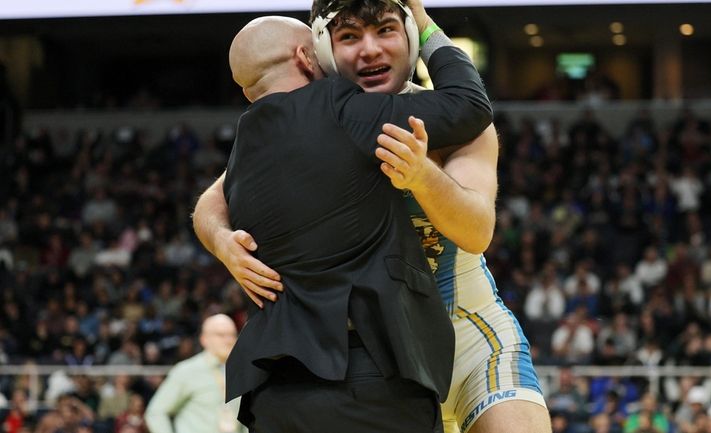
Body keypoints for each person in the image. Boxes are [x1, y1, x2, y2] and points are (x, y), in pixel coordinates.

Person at [192, 1, 550, 433]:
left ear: (411, 36)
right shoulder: (317, 120)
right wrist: (222, 240)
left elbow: (477, 232)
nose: (370, 50)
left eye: (385, 31)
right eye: (349, 37)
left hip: (467, 331)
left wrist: (422, 177)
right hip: (386, 347)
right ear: (320, 50)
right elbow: (215, 197)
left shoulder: (450, 120)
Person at [144, 314, 245, 433]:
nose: (228, 340)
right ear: (204, 339)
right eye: (220, 335)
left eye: (232, 335)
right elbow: (156, 412)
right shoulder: (186, 371)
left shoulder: (242, 371)